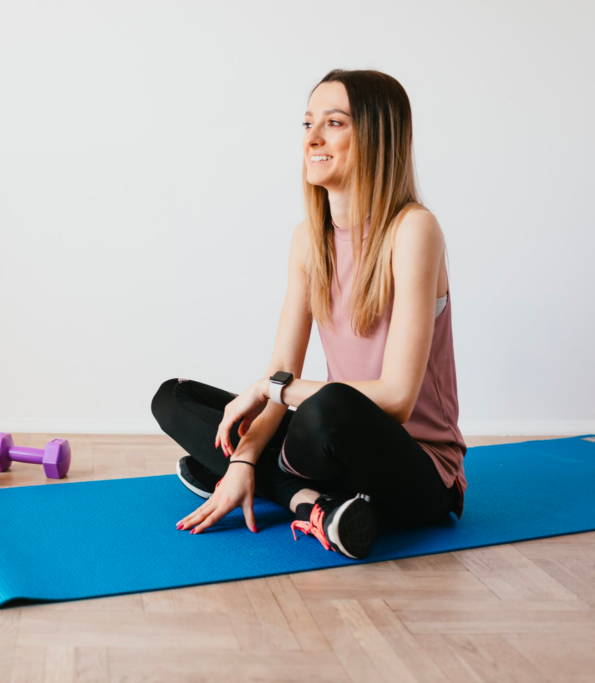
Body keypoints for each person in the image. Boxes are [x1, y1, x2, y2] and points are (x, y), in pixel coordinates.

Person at [150, 68, 467, 560]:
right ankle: (307, 503)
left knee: (324, 409)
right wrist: (244, 460)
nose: (313, 139)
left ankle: (285, 489)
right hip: (331, 452)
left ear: (376, 136)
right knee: (173, 400)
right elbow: (282, 373)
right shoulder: (307, 239)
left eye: (335, 123)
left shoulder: (414, 230)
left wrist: (269, 391)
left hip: (419, 473)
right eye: (307, 124)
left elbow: (398, 399)